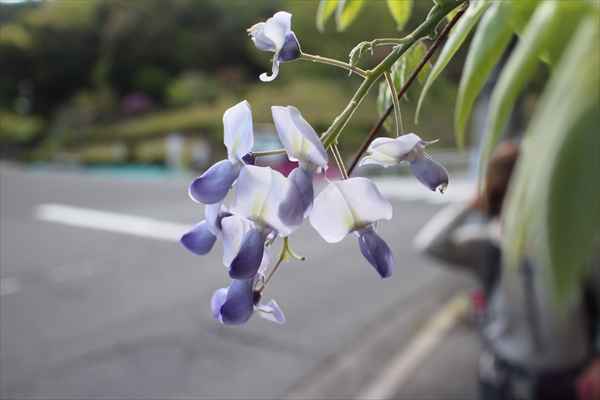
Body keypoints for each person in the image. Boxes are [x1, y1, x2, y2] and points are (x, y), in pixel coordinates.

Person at [414, 141, 599, 400]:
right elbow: (429, 245)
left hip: (571, 382)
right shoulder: (486, 247)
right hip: (505, 383)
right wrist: (469, 203)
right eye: (508, 199)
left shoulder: (578, 247)